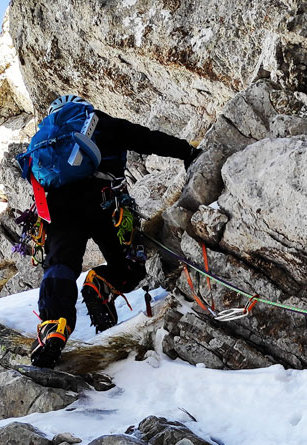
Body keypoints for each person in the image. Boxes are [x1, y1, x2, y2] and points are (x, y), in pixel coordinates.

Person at [30, 94, 199, 368]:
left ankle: (54, 326)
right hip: (105, 202)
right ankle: (100, 282)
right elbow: (145, 138)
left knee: (60, 265)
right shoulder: (97, 122)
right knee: (130, 265)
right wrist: (186, 151)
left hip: (59, 208)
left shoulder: (46, 143)